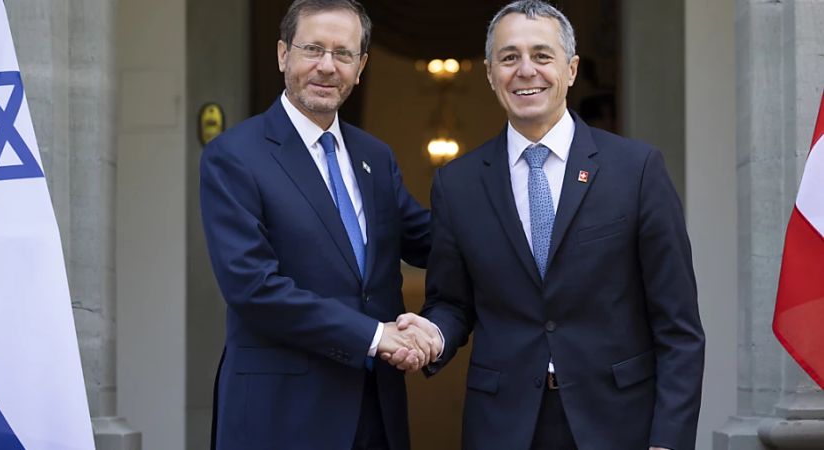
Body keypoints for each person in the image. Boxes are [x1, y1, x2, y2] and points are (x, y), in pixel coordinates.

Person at [390, 1, 705, 449]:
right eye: (509, 57)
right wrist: (432, 334)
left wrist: (668, 442)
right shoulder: (457, 184)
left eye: (542, 56)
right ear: (489, 72)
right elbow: (453, 303)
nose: (525, 70)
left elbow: (678, 328)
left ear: (571, 69)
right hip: (504, 427)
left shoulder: (636, 171)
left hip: (619, 425)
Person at [199, 1, 436, 449]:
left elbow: (430, 242)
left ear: (361, 66)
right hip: (281, 413)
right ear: (283, 55)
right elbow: (253, 287)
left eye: (343, 54)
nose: (327, 66)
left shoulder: (375, 157)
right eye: (313, 49)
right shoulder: (234, 156)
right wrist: (375, 335)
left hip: (375, 411)